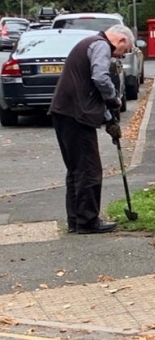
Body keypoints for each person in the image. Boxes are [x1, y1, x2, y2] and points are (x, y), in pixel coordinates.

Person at [49, 24, 135, 234]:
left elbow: (90, 90)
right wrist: (114, 97)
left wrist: (109, 120)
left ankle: (76, 221)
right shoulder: (101, 45)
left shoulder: (91, 43)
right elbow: (99, 78)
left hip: (65, 113)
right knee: (89, 170)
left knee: (76, 170)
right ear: (121, 41)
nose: (121, 57)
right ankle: (88, 221)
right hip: (76, 116)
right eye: (125, 52)